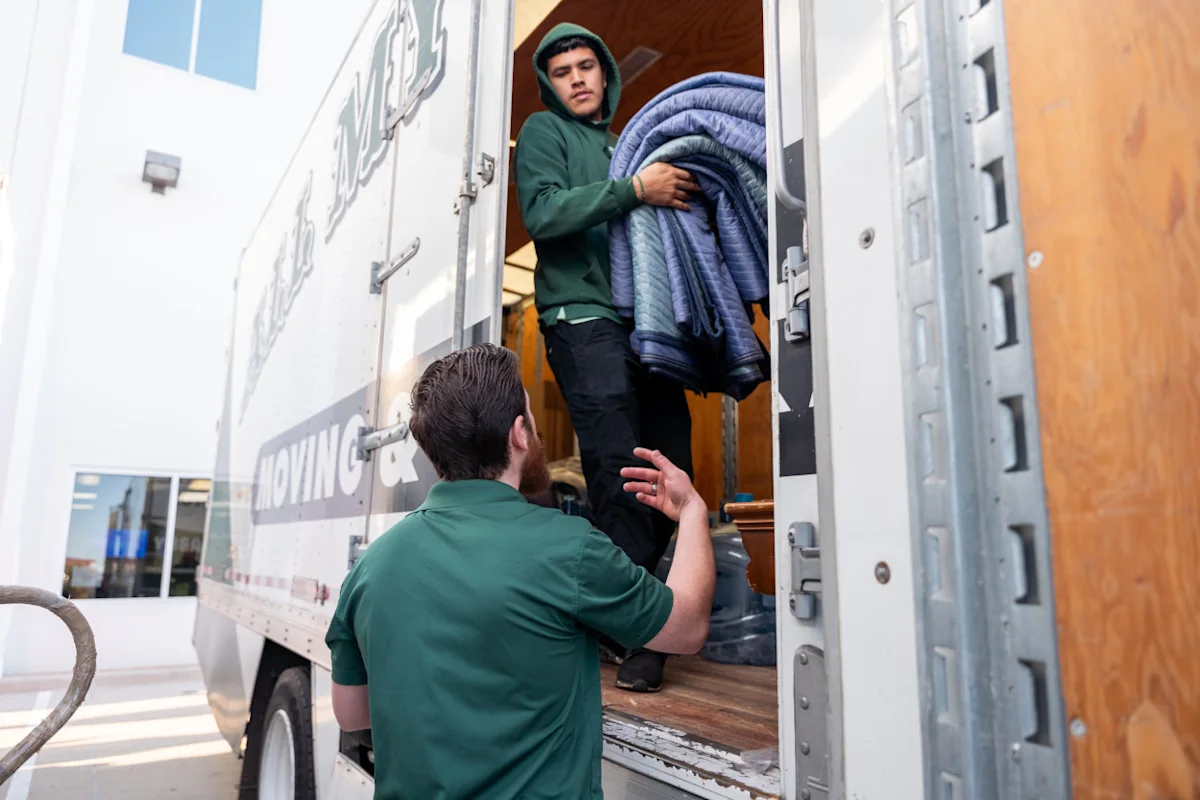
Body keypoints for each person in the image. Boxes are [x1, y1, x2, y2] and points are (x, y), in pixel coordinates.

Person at [326, 344, 716, 800]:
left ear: (436, 455)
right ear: (518, 434)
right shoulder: (570, 547)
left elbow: (352, 714)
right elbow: (686, 628)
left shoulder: (371, 566)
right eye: (531, 417)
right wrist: (691, 511)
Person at [513, 22, 701, 693]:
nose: (578, 79)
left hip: (643, 322)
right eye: (563, 72)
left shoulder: (628, 145)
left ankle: (626, 610)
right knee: (618, 465)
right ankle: (638, 632)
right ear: (550, 85)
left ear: (605, 73)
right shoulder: (544, 133)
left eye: (587, 66)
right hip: (581, 317)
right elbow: (544, 213)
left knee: (668, 460)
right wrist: (633, 191)